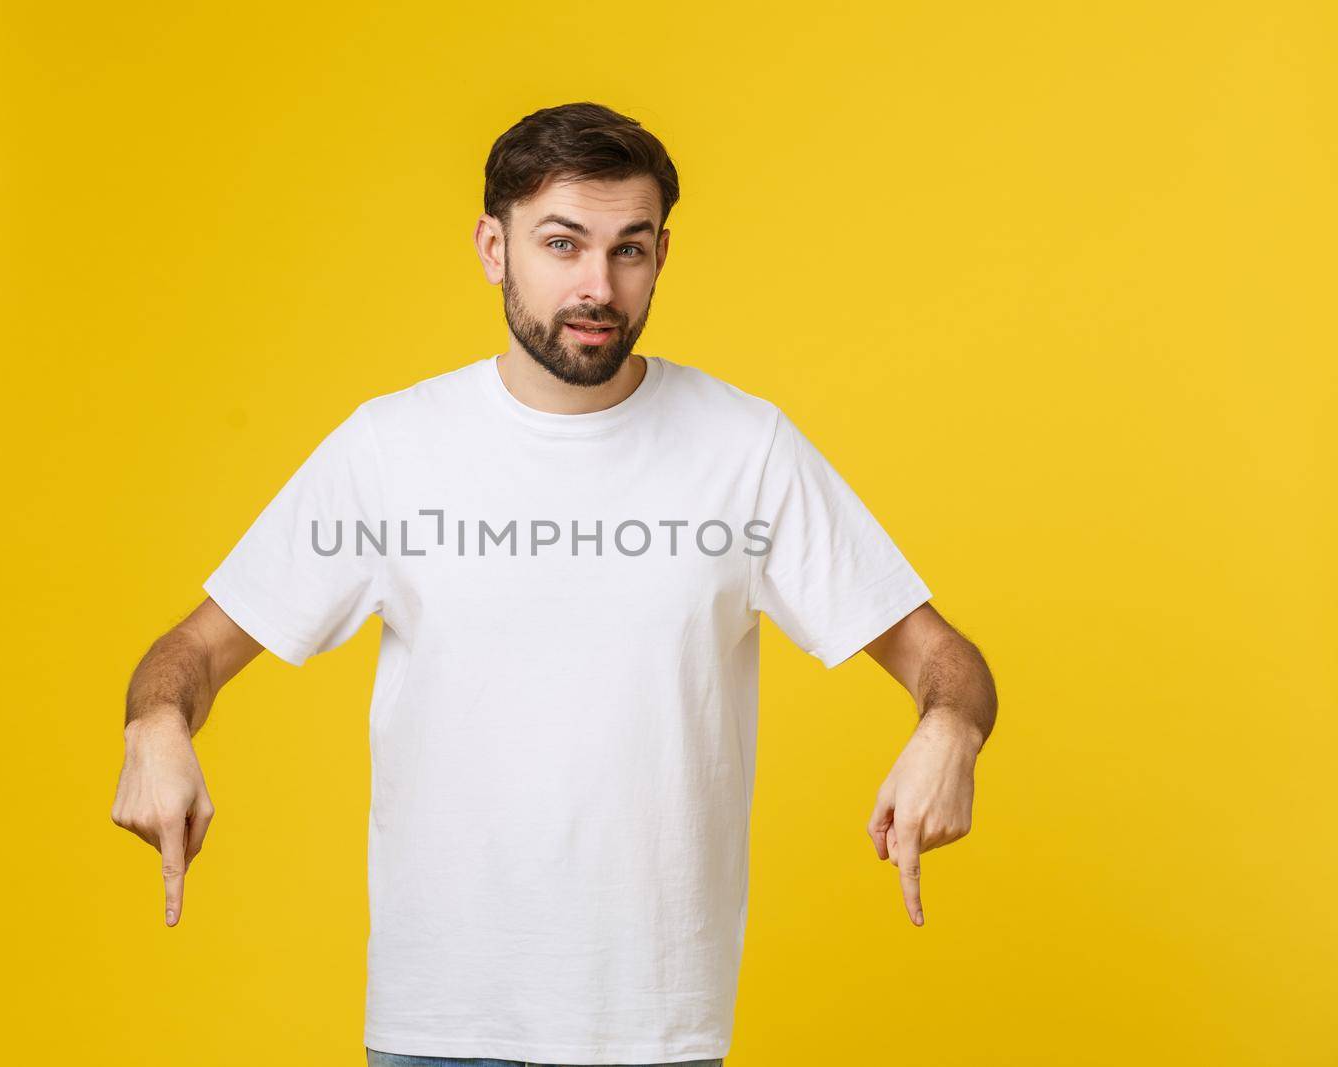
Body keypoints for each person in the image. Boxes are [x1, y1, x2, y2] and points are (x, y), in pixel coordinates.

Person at [111, 101, 998, 1067]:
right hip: (438, 1024)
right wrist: (156, 725)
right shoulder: (390, 449)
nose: (597, 286)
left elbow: (944, 658)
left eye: (629, 249)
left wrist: (949, 727)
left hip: (652, 1027)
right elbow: (191, 651)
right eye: (562, 244)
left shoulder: (746, 450)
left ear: (663, 255)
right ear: (494, 248)